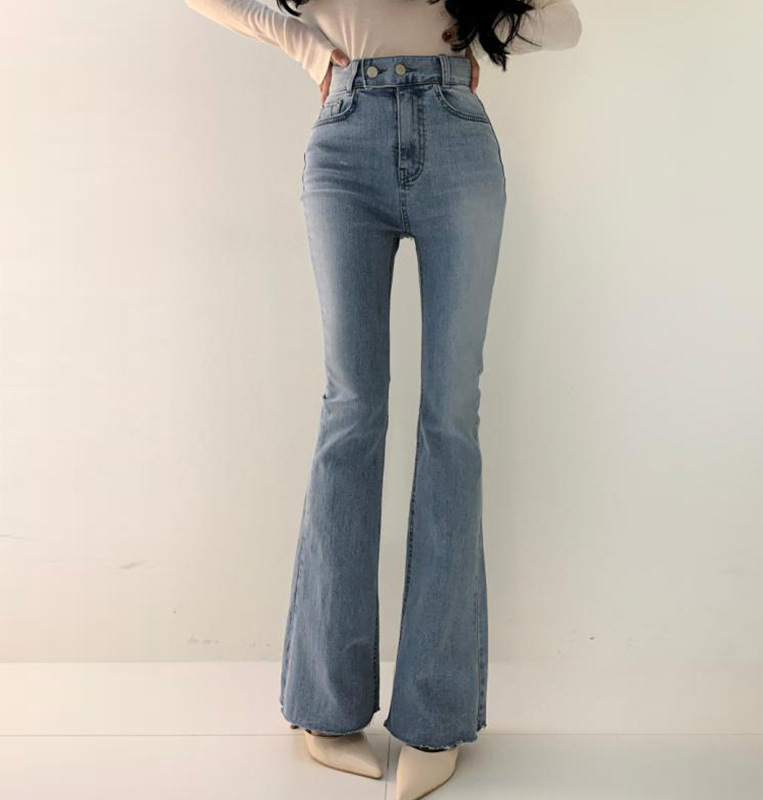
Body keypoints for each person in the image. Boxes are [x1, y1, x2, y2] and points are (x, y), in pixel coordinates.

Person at [183, 1, 582, 797]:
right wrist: (309, 51)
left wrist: (488, 30)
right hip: (346, 140)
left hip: (457, 140)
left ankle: (436, 715)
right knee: (351, 411)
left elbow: (563, 24)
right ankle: (326, 707)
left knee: (451, 418)